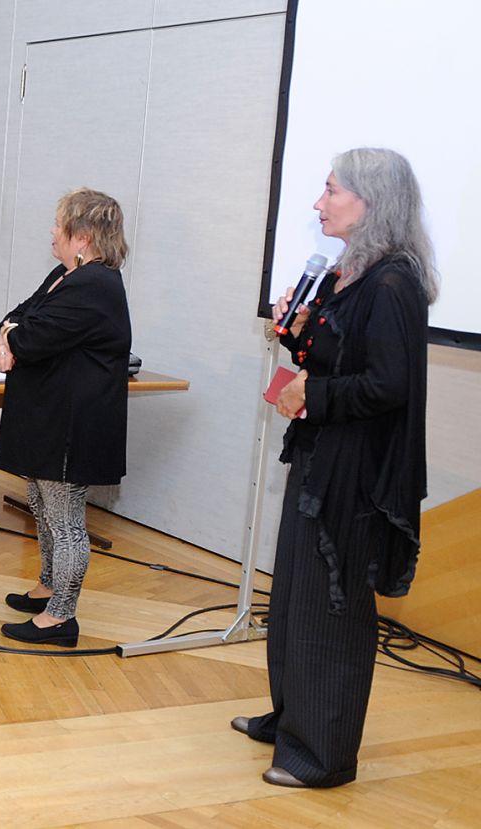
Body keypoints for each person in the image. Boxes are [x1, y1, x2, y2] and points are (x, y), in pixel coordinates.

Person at [232, 148, 436, 789]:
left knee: (333, 606)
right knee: (295, 593)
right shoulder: (349, 274)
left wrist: (311, 395)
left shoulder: (393, 284)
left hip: (356, 473)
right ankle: (291, 718)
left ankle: (323, 757)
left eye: (330, 190)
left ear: (370, 201)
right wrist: (295, 334)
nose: (318, 203)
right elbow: (331, 355)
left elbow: (389, 384)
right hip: (321, 454)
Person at [0, 187, 132, 649]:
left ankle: (61, 618)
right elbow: (17, 317)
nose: (52, 232)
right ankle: (48, 586)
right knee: (41, 504)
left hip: (73, 425)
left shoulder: (95, 284)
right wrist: (10, 333)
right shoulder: (65, 274)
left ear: (83, 237)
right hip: (50, 416)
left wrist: (14, 338)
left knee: (66, 517)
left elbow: (33, 338)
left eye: (59, 224)